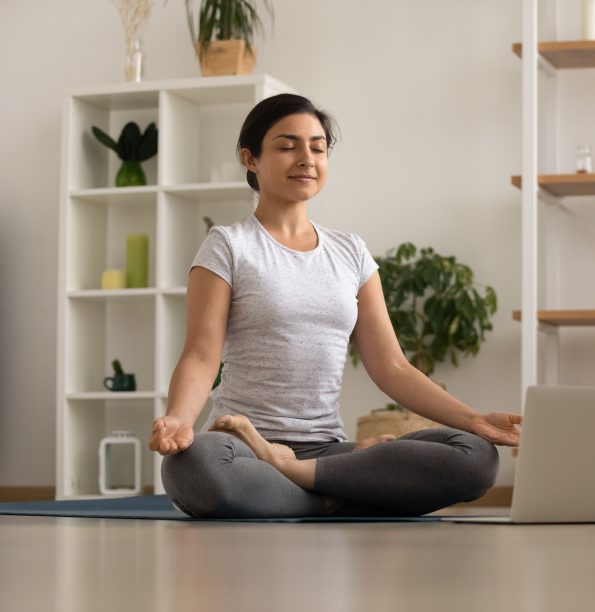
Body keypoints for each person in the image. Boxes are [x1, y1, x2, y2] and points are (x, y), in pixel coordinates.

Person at [150, 93, 521, 519]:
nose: (306, 158)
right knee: (194, 466)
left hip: (328, 450)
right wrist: (179, 419)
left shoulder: (351, 252)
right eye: (288, 146)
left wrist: (473, 420)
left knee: (475, 457)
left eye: (318, 147)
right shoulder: (229, 246)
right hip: (242, 445)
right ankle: (336, 491)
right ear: (250, 159)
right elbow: (201, 353)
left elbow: (392, 367)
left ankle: (299, 476)